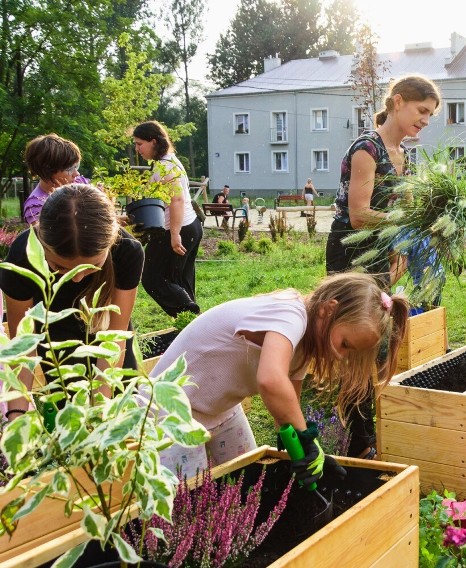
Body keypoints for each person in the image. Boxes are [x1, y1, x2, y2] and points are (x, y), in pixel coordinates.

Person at [154, 272, 409, 479]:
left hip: (220, 409)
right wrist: (309, 440)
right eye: (345, 344)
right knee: (190, 503)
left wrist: (304, 453)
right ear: (329, 310)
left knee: (249, 482)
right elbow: (271, 380)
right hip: (168, 410)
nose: (341, 356)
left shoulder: (304, 346)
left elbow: (286, 411)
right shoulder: (290, 314)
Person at [324, 74, 440, 459]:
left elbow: (392, 211)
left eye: (430, 115)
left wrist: (400, 247)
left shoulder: (402, 154)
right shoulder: (366, 149)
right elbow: (358, 216)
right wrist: (406, 225)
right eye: (422, 111)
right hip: (351, 253)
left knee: (377, 340)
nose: (425, 120)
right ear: (398, 102)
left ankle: (360, 424)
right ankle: (360, 436)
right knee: (360, 340)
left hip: (379, 251)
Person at [1, 184, 144, 420]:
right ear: (43, 246)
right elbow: (23, 347)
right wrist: (16, 417)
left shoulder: (127, 252)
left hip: (108, 343)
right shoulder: (22, 256)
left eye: (91, 267)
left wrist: (100, 410)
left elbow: (116, 337)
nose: (76, 278)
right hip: (56, 347)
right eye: (60, 267)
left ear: (110, 244)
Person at [133, 121, 202, 317]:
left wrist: (174, 234)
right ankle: (189, 326)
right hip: (190, 226)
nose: (137, 149)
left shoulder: (165, 166)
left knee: (152, 279)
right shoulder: (169, 160)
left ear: (153, 141)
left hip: (178, 228)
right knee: (179, 280)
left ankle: (191, 313)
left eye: (140, 144)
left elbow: (177, 200)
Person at [22, 134, 89, 225]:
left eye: (76, 166)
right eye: (69, 169)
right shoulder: (36, 206)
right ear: (48, 171)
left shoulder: (79, 182)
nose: (76, 174)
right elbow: (49, 237)